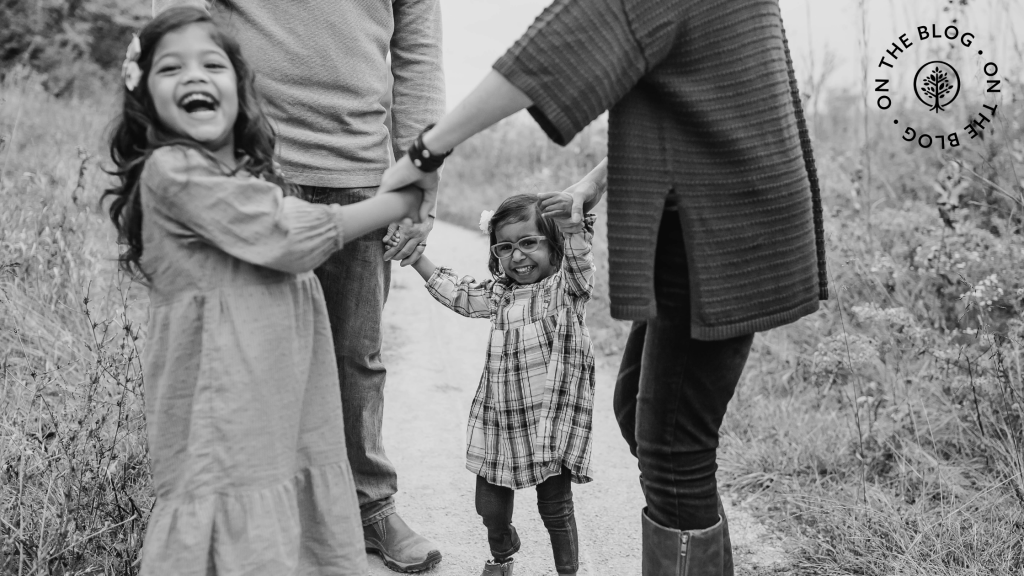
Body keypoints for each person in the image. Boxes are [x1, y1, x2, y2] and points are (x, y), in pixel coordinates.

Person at [376, 1, 829, 575]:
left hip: (720, 222)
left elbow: (546, 55)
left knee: (672, 451)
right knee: (637, 407)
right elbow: (694, 97)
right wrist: (595, 181)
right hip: (708, 208)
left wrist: (424, 150)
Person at [103, 8, 424, 574]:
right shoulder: (175, 172)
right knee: (232, 511)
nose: (195, 76)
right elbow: (286, 232)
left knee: (327, 405)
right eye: (170, 68)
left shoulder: (243, 179)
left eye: (212, 64)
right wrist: (399, 200)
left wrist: (414, 156)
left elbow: (419, 38)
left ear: (241, 87)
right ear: (143, 95)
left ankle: (359, 514)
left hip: (265, 398)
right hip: (220, 404)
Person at [385, 162, 605, 576]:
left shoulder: (565, 290)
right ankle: (503, 552)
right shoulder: (501, 296)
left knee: (555, 508)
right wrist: (416, 257)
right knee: (489, 508)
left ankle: (568, 571)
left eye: (528, 243)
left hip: (549, 424)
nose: (517, 256)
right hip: (499, 421)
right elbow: (460, 294)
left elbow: (579, 262)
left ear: (553, 245)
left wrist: (574, 227)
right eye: (504, 247)